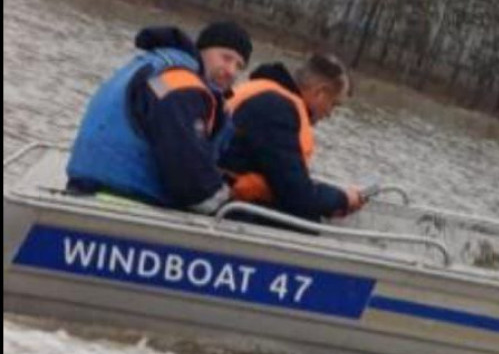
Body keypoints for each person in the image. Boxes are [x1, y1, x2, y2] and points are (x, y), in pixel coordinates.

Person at [66, 21, 253, 213]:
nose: (231, 71)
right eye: (226, 58)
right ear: (203, 50)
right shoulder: (180, 83)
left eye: (239, 66)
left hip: (88, 192)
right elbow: (188, 173)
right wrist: (226, 204)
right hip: (126, 204)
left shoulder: (154, 66)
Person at [219, 53, 364, 221]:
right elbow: (297, 194)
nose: (330, 114)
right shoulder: (277, 110)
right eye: (334, 104)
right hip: (226, 203)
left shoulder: (265, 92)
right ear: (321, 93)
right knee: (309, 221)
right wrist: (343, 199)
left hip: (222, 188)